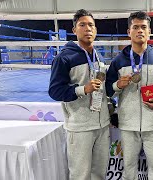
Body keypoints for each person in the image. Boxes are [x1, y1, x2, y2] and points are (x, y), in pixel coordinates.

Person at [106, 11, 153, 180]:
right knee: (128, 166)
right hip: (128, 124)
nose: (140, 31)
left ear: (149, 31)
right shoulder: (118, 61)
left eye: (143, 27)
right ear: (129, 32)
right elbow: (107, 90)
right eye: (136, 27)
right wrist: (118, 85)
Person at [48, 9, 110, 180]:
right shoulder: (64, 58)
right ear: (74, 30)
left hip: (102, 125)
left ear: (95, 30)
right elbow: (54, 91)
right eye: (82, 25)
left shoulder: (97, 56)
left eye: (91, 25)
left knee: (99, 173)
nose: (87, 28)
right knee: (80, 175)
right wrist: (83, 89)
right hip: (80, 127)